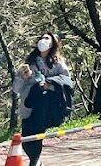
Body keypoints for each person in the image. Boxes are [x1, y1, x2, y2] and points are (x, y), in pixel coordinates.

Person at [12, 32, 73, 166]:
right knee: (27, 141)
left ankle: (35, 162)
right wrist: (22, 77)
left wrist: (49, 84)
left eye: (46, 38)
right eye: (41, 38)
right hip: (28, 107)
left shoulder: (58, 64)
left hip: (46, 107)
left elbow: (67, 82)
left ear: (53, 44)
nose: (43, 41)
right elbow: (16, 89)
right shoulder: (30, 63)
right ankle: (37, 162)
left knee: (37, 138)